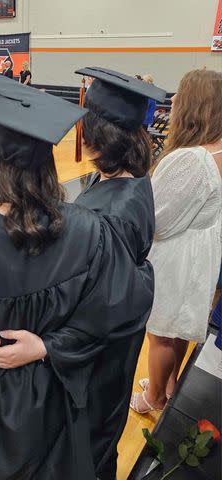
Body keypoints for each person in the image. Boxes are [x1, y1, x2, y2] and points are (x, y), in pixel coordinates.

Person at [0, 75, 154, 480]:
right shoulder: (92, 232)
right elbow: (129, 307)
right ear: (49, 161)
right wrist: (50, 346)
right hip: (65, 411)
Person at [0, 68, 167, 479]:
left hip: (96, 370)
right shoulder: (134, 185)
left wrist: (46, 346)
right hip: (113, 364)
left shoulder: (107, 219)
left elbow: (116, 309)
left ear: (95, 134)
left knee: (83, 457)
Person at [130, 69, 222, 414]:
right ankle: (168, 386)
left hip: (178, 257)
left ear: (196, 105)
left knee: (162, 332)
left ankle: (153, 398)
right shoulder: (217, 149)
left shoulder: (192, 159)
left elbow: (157, 220)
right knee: (179, 328)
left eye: (180, 95)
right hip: (202, 252)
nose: (174, 101)